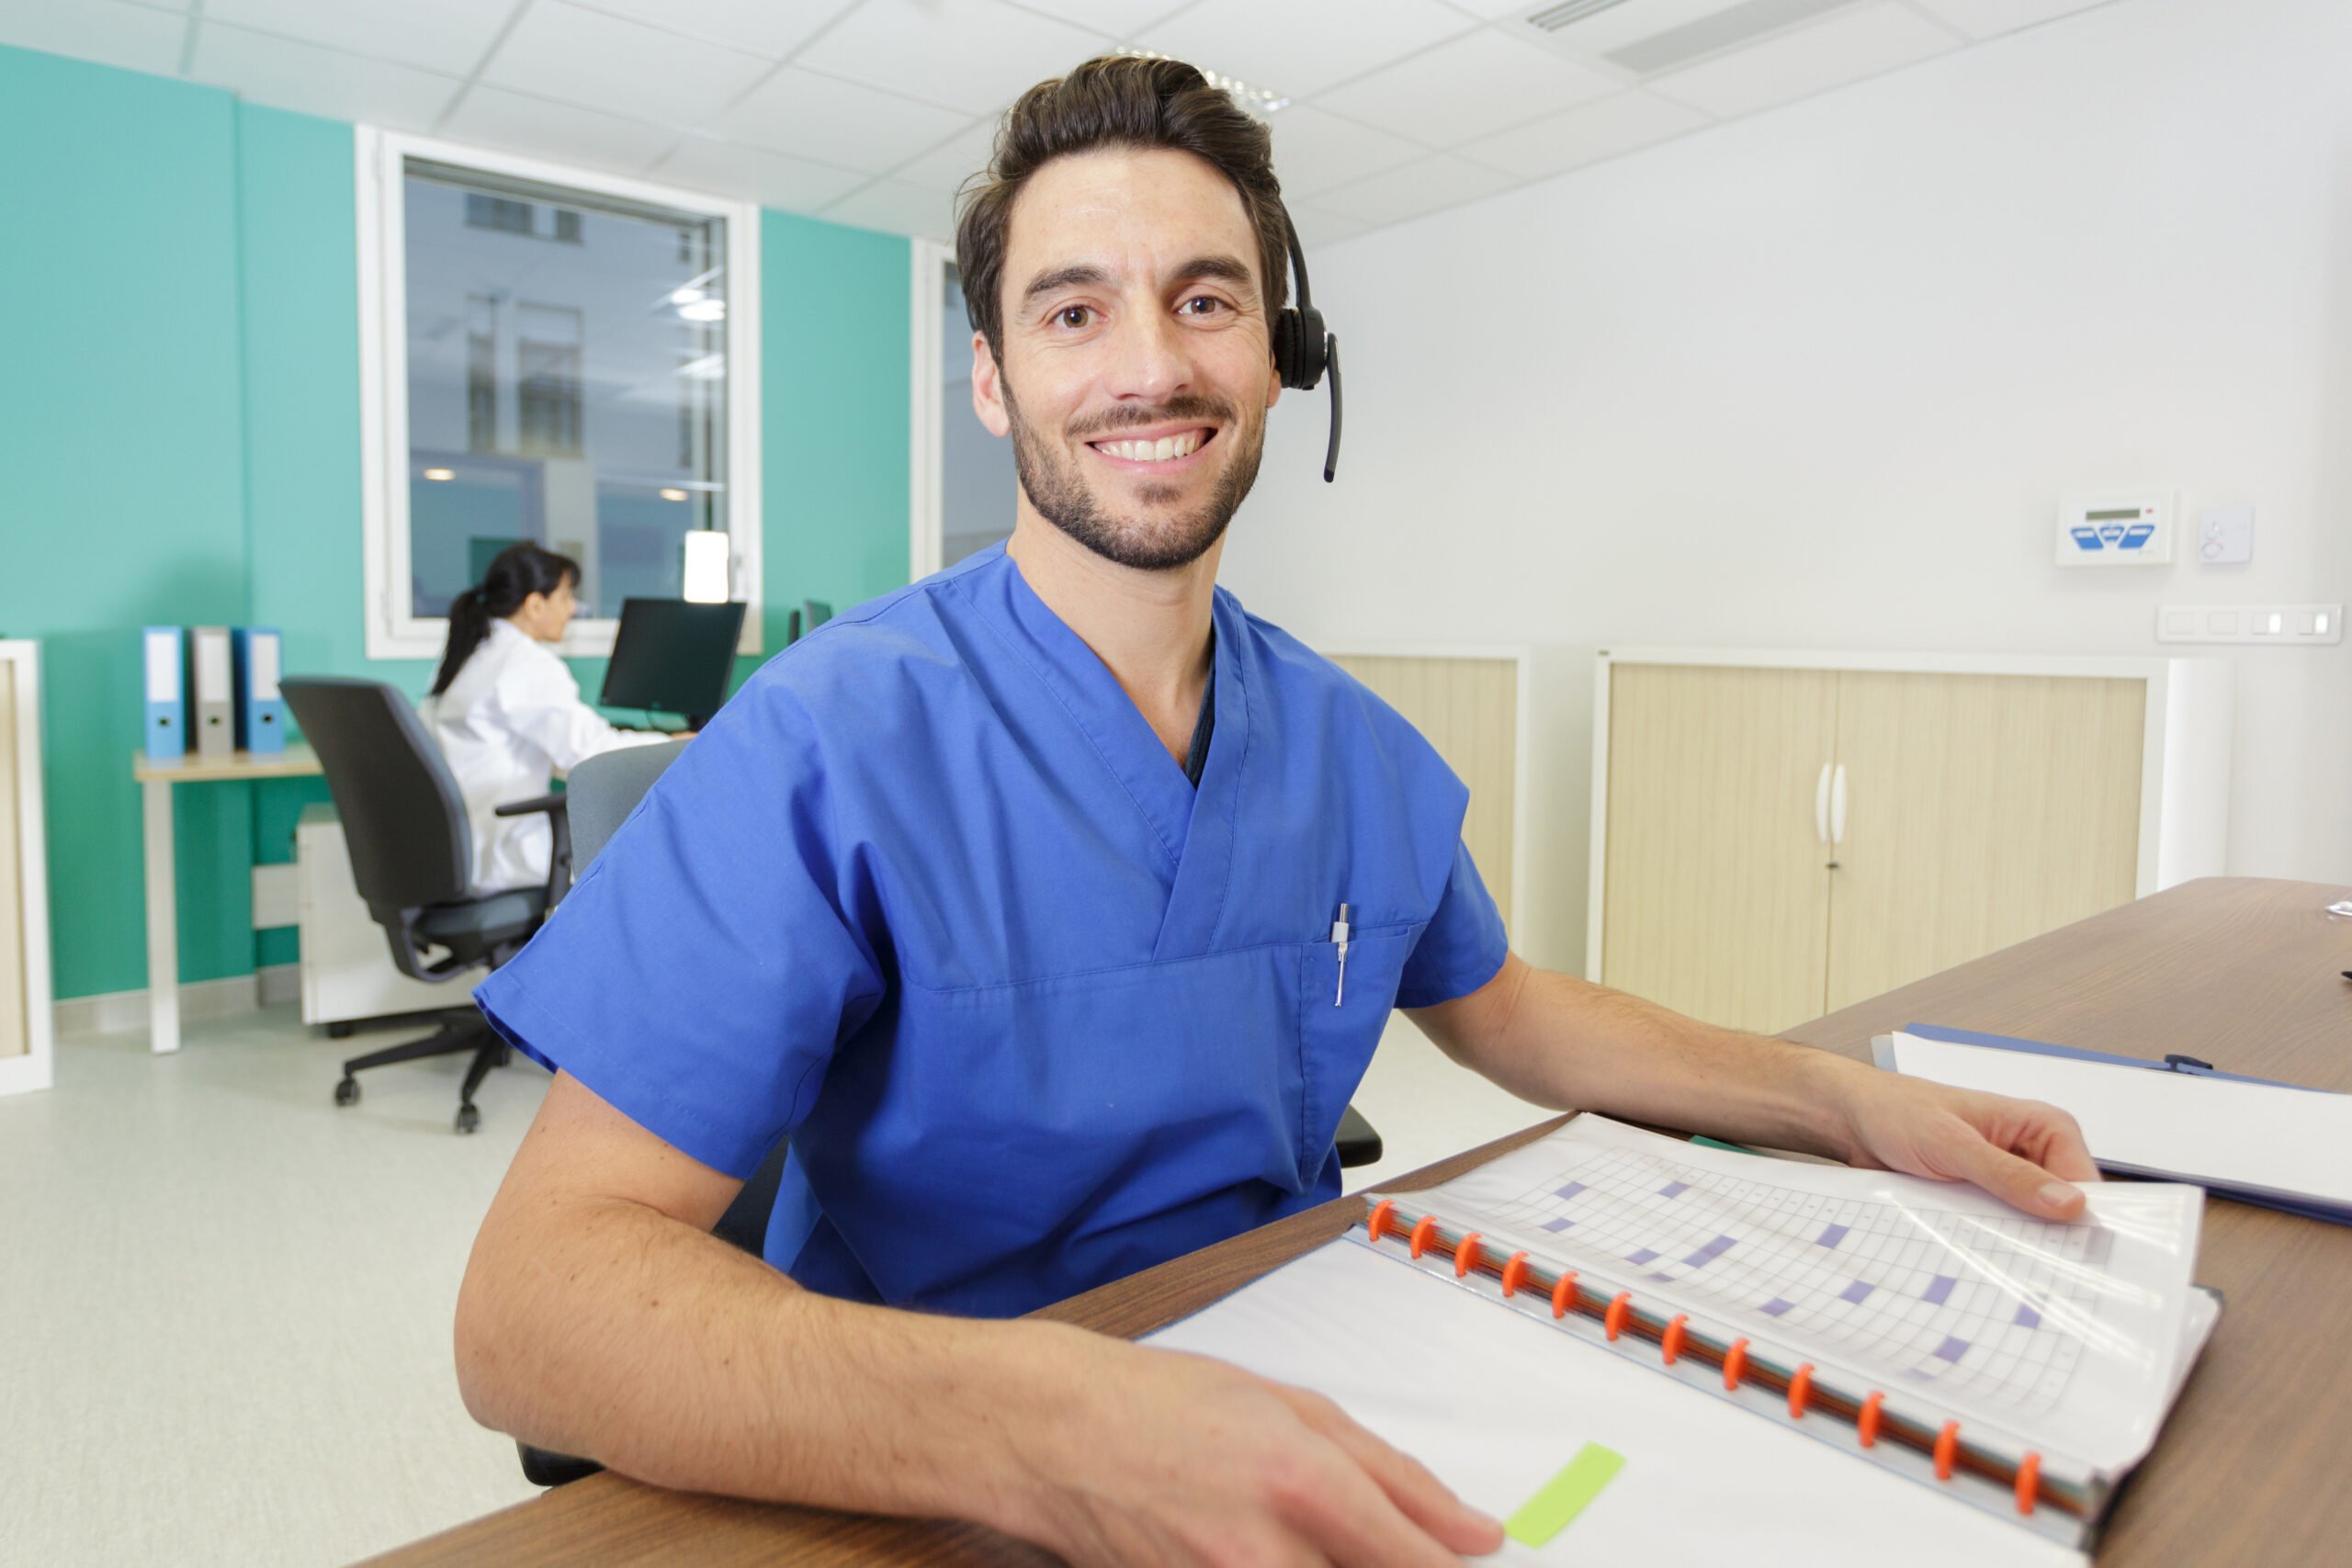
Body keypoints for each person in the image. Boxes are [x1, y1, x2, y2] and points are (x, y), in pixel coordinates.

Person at [452, 57, 2099, 1566]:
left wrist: (1838, 1100)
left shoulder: (1344, 741)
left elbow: (1512, 1011)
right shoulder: (826, 742)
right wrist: (1050, 1431)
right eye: (1074, 311)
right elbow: (534, 1309)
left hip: (1302, 1381)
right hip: (935, 1464)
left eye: (1206, 298)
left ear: (1282, 356)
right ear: (991, 378)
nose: (1153, 364)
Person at [422, 542, 677, 893]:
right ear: (535, 604)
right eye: (566, 597)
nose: (573, 609)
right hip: (508, 852)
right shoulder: (526, 663)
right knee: (654, 854)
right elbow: (594, 756)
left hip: (457, 852)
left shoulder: (466, 656)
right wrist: (672, 745)